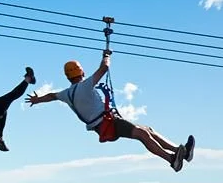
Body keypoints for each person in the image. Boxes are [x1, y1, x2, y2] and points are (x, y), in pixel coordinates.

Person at [28, 48, 196, 171]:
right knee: (141, 133)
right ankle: (172, 159)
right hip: (108, 122)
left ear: (67, 76)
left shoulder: (67, 93)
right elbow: (104, 69)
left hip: (102, 126)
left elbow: (51, 95)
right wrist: (106, 56)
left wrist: (37, 100)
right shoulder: (85, 85)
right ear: (82, 71)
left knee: (147, 130)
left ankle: (182, 152)